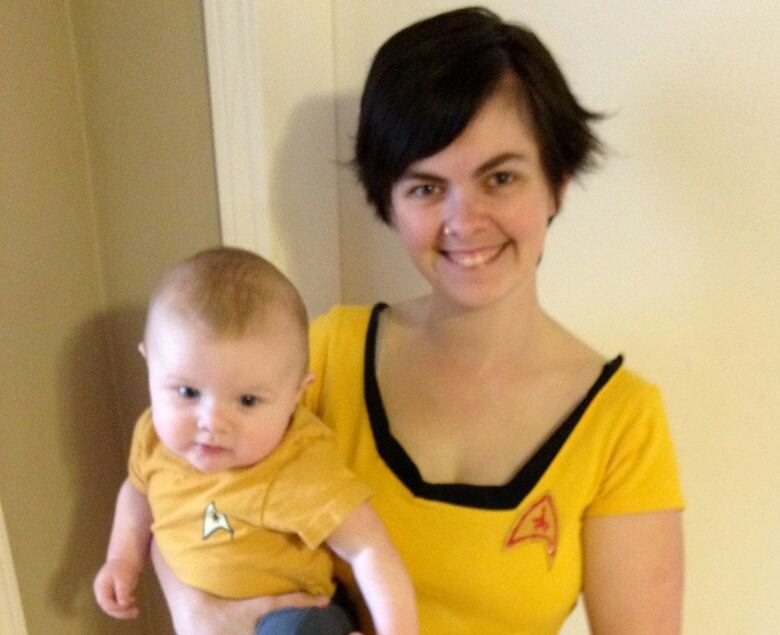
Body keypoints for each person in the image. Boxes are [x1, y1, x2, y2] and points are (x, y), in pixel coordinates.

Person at [152, 7, 685, 634]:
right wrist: (197, 612)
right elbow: (179, 492)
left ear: (557, 183)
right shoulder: (320, 357)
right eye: (426, 188)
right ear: (390, 202)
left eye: (501, 177)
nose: (465, 221)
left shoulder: (621, 423)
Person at [93, 247, 418, 635]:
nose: (211, 422)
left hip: (294, 617)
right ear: (150, 364)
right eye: (187, 392)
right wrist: (123, 560)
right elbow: (138, 492)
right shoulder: (152, 437)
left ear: (296, 395)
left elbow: (367, 547)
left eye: (247, 400)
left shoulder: (297, 462)